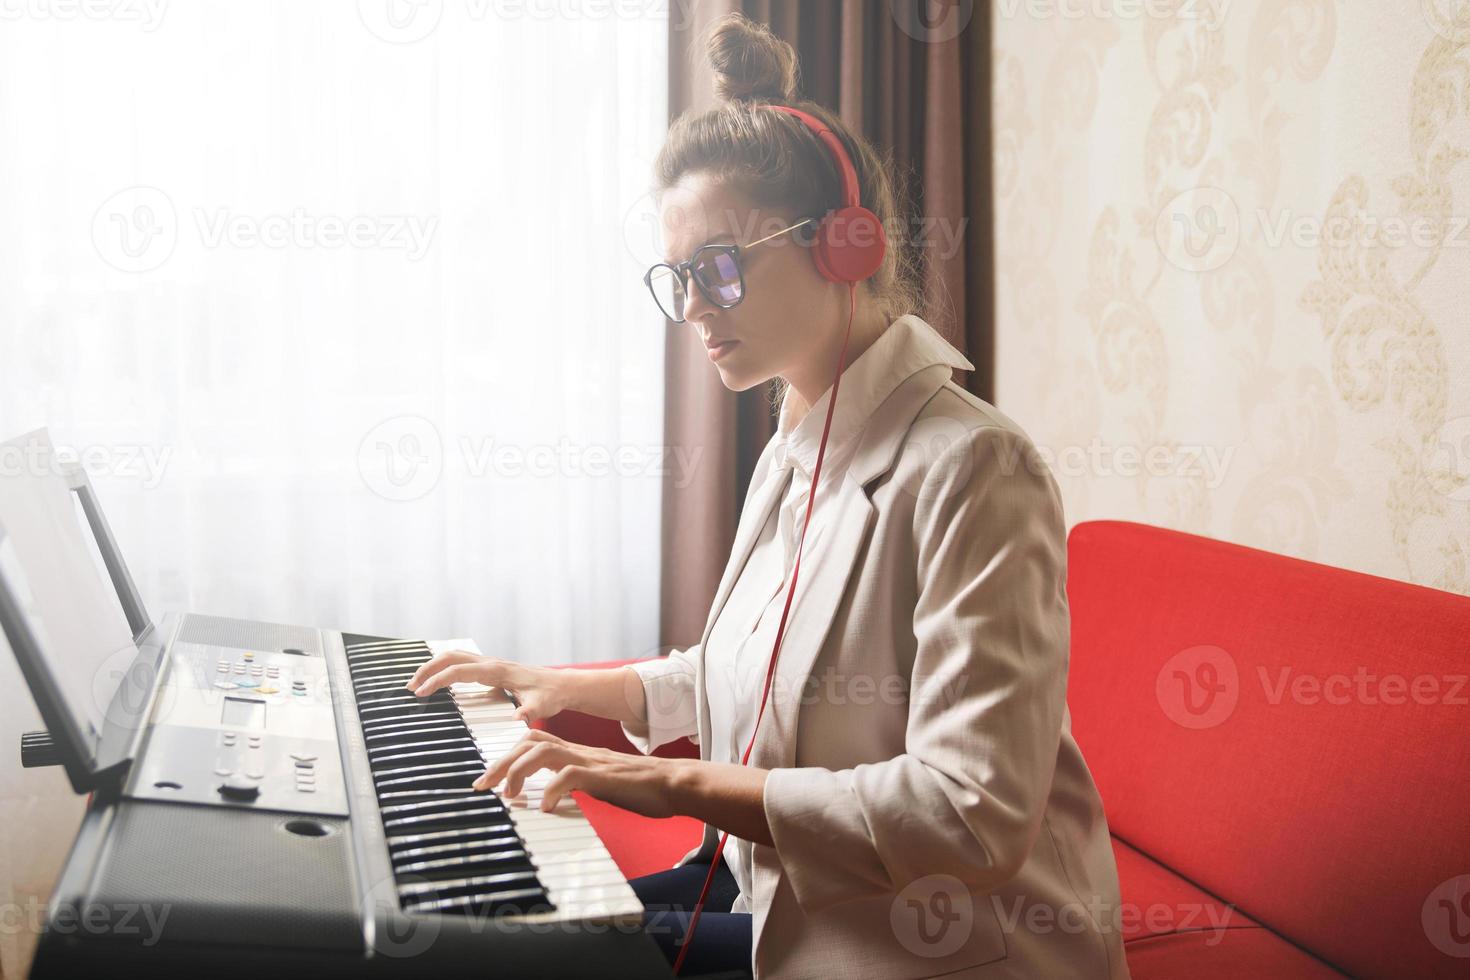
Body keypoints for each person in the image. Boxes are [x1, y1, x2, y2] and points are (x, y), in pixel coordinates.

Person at [408, 13, 1129, 979]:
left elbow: (969, 812)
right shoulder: (796, 444)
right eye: (678, 279)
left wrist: (665, 781)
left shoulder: (976, 470)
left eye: (719, 267)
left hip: (943, 948)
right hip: (799, 901)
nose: (695, 309)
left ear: (846, 245)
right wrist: (558, 687)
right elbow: (746, 672)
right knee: (477, 923)